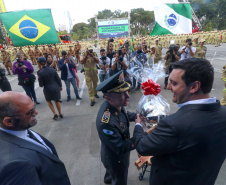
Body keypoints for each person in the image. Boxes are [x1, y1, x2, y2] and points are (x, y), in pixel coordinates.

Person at [133, 58, 226, 185]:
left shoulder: (173, 124)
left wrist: (138, 124)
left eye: (174, 83)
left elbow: (143, 147)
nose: (168, 87)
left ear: (194, 86)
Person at [0, 91, 71, 185]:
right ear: (9, 121)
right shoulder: (15, 165)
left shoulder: (19, 128)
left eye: (34, 107)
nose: (36, 112)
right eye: (30, 112)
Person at [96, 71, 136, 185]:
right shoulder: (106, 122)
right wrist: (139, 133)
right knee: (119, 179)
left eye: (127, 91)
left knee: (111, 174)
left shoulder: (115, 104)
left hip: (110, 151)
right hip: (116, 159)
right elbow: (120, 146)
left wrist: (136, 116)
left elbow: (122, 115)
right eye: (123, 94)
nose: (128, 96)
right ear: (109, 99)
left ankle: (109, 179)